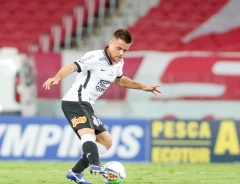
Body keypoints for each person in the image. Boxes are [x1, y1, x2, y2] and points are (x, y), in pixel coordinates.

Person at [43, 28, 161, 184]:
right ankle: (95, 164)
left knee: (106, 142)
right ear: (110, 43)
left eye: (125, 50)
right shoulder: (94, 57)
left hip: (87, 105)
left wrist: (143, 86)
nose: (121, 53)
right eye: (119, 48)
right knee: (89, 134)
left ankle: (76, 172)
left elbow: (120, 80)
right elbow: (72, 66)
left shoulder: (118, 63)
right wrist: (57, 78)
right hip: (75, 101)